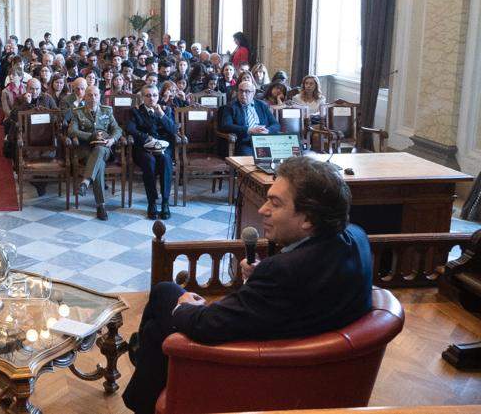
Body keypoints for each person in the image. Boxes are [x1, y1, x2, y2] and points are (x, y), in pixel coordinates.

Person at [122, 157, 372, 414]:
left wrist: (183, 309)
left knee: (164, 304)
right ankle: (144, 360)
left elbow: (207, 326)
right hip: (311, 357)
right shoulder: (356, 237)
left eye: (275, 203)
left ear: (307, 218)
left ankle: (142, 396)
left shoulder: (283, 273)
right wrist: (260, 276)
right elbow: (297, 293)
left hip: (258, 370)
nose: (263, 209)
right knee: (162, 302)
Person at [67, 85, 121, 221]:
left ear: (100, 96)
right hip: (86, 150)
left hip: (105, 148)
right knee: (99, 164)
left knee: (100, 149)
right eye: (90, 95)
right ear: (85, 96)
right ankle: (100, 205)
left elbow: (117, 129)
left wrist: (112, 140)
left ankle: (85, 181)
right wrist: (91, 136)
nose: (93, 98)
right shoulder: (77, 112)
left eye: (96, 95)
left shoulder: (107, 111)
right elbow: (72, 131)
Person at [126, 85, 175, 220]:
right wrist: (146, 137)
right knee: (149, 161)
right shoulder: (135, 111)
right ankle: (152, 202)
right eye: (148, 95)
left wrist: (162, 115)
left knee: (165, 160)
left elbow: (173, 130)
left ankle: (165, 203)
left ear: (158, 97)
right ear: (142, 98)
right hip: (144, 149)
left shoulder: (166, 110)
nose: (151, 98)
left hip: (162, 149)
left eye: (154, 95)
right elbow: (130, 129)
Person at [219, 82, 281, 156]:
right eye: (241, 91)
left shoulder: (262, 105)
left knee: (279, 154)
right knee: (249, 159)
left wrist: (267, 131)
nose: (243, 94)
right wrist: (248, 130)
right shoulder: (230, 107)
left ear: (253, 93)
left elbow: (276, 124)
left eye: (247, 91)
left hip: (264, 140)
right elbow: (226, 125)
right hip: (245, 142)